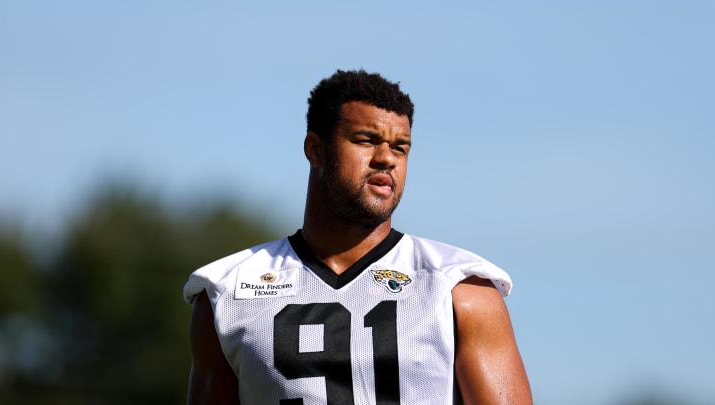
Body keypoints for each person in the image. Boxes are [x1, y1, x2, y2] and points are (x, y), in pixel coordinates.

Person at [184, 69, 532, 405]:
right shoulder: (227, 290)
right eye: (366, 140)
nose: (386, 159)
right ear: (315, 149)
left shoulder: (460, 288)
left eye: (400, 147)